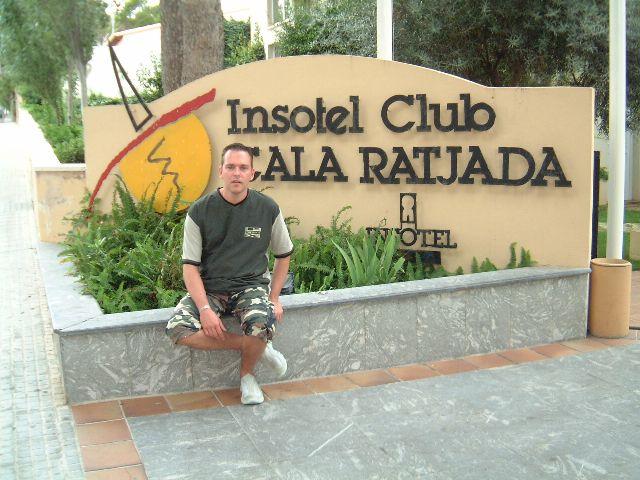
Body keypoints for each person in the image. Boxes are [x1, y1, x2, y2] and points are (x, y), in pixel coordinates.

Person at [165, 142, 293, 405]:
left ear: (252, 174)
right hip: (210, 288)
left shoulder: (267, 209)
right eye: (231, 167)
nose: (237, 173)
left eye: (243, 168)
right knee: (178, 328)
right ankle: (255, 346)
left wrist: (274, 298)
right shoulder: (200, 211)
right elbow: (189, 266)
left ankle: (247, 377)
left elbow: (284, 254)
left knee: (261, 323)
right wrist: (204, 309)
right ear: (221, 171)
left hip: (251, 286)